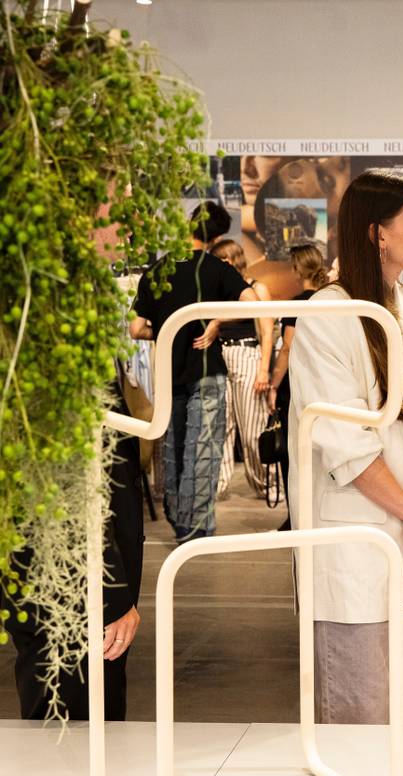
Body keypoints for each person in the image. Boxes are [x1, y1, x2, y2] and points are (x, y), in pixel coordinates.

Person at [288, 169, 403, 724]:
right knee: (359, 712)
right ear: (377, 234)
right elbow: (345, 445)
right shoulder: (327, 316)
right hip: (355, 544)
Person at [2, 378, 144, 720]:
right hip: (72, 592)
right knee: (71, 727)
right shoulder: (48, 363)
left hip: (64, 584)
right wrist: (111, 595)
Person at [130, 202, 258, 543]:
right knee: (203, 450)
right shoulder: (217, 267)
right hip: (206, 370)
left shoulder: (157, 270)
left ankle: (179, 522)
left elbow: (135, 328)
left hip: (169, 374)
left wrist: (165, 330)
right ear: (216, 236)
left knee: (173, 449)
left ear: (190, 223)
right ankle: (196, 530)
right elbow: (253, 304)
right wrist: (216, 320)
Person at [208, 238, 274, 499]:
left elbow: (268, 331)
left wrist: (263, 369)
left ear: (227, 260)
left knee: (253, 428)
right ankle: (218, 485)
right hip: (220, 353)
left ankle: (266, 483)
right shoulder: (217, 291)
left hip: (248, 353)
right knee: (222, 425)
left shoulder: (257, 287)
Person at [269, 241, 329, 529]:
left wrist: (272, 385)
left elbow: (287, 347)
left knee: (293, 453)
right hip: (324, 384)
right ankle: (314, 514)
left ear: (296, 268)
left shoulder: (296, 303)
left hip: (296, 387)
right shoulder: (329, 301)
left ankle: (297, 517)